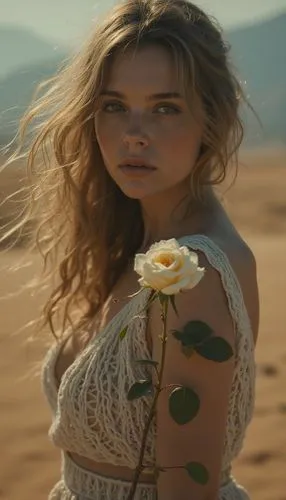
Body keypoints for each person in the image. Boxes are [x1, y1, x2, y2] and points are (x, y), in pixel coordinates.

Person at [7, 0, 259, 498]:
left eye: (165, 107)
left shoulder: (196, 273)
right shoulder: (143, 242)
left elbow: (188, 489)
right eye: (114, 106)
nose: (133, 135)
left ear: (211, 118)